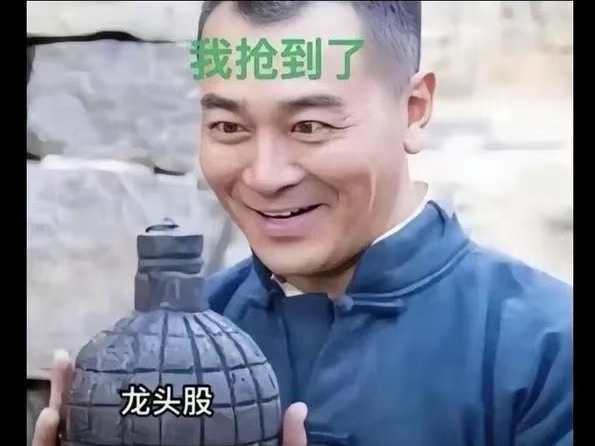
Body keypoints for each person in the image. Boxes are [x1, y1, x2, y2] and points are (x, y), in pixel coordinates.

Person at [32, 1, 573, 445]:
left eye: (309, 125)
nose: (265, 176)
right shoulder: (169, 358)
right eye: (228, 126)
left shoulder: (546, 349)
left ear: (413, 110)